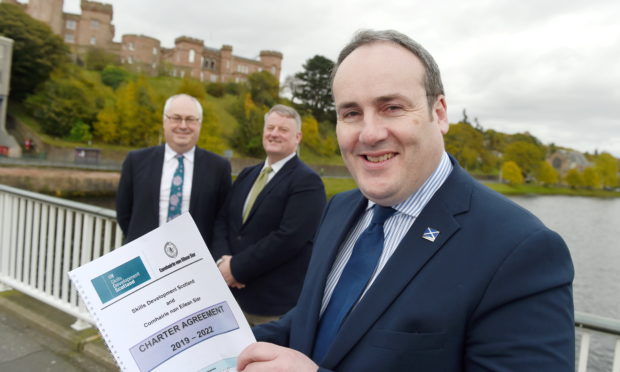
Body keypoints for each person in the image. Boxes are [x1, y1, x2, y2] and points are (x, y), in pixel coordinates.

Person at [237, 30, 575, 371]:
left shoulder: (520, 249)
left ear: (439, 113)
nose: (369, 133)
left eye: (392, 107)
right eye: (351, 113)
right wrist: (221, 345)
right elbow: (315, 321)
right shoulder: (339, 208)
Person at [211, 104, 326, 326]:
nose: (274, 133)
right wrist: (221, 263)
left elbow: (288, 238)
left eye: (283, 129)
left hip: (269, 305)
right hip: (230, 297)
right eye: (270, 127)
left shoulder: (307, 182)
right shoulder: (247, 174)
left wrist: (236, 269)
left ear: (297, 137)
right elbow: (223, 220)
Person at [116, 94, 231, 247]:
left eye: (190, 119)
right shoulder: (136, 161)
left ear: (199, 124)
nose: (183, 125)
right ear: (165, 121)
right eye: (176, 118)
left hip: (194, 260)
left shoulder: (219, 167)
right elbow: (124, 213)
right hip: (144, 256)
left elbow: (222, 219)